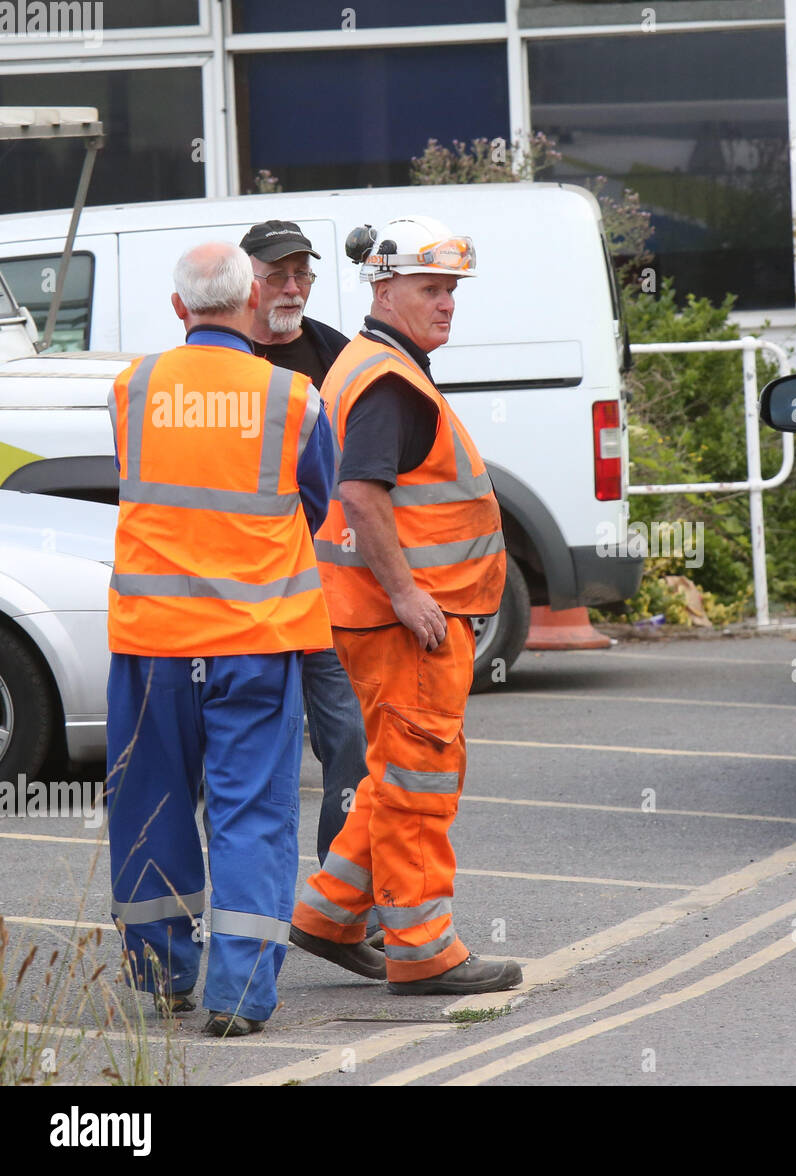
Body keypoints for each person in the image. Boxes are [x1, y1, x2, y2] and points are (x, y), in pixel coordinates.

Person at [105, 241, 335, 1037]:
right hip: (256, 642)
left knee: (152, 807)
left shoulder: (131, 389)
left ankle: (164, 974)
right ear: (247, 306)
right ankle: (237, 997)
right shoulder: (295, 398)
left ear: (179, 308)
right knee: (252, 818)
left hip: (152, 644)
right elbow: (315, 499)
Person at [290, 215, 522, 995]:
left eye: (452, 289)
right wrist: (408, 591)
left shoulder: (371, 364)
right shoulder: (389, 379)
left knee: (396, 774)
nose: (447, 303)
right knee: (421, 777)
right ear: (384, 286)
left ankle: (328, 913)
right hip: (404, 620)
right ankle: (421, 948)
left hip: (378, 614)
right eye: (431, 288)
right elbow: (360, 491)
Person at [239, 220, 370, 870]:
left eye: (302, 274)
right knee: (250, 757)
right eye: (277, 275)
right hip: (246, 599)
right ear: (247, 283)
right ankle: (242, 901)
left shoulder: (340, 357)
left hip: (327, 590)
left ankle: (341, 899)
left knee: (349, 739)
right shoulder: (222, 361)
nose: (292, 288)